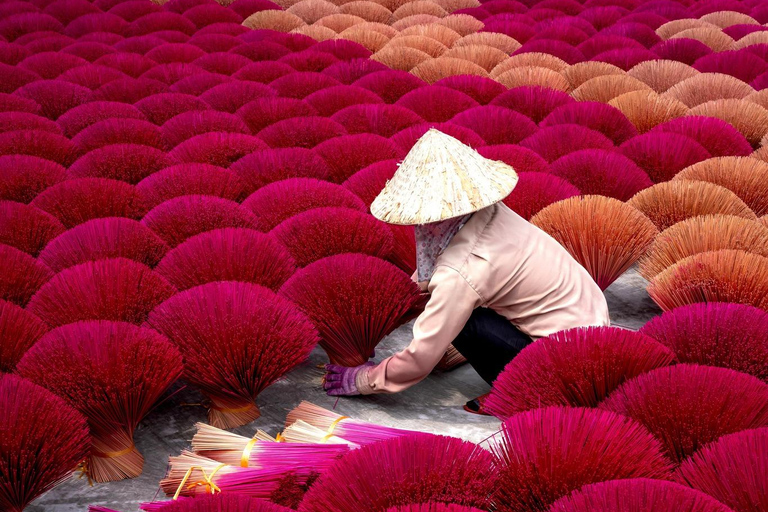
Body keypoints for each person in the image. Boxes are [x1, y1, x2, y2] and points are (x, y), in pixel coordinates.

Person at [323, 129, 610, 413]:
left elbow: (421, 357)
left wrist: (364, 379)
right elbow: (431, 279)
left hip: (560, 366)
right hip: (595, 326)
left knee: (466, 322)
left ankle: (520, 392)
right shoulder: (490, 211)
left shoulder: (460, 271)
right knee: (459, 306)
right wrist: (379, 323)